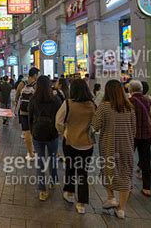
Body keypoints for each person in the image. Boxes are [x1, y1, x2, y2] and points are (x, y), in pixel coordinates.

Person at [91, 80, 136, 219]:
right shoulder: (130, 108)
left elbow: (95, 125)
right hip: (127, 146)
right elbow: (134, 129)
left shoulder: (104, 107)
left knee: (108, 170)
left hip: (109, 145)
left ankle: (111, 197)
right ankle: (121, 209)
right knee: (125, 174)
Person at [55, 79, 96, 214]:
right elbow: (96, 124)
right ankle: (81, 204)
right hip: (87, 144)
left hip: (70, 141)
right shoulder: (92, 105)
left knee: (70, 168)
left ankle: (70, 193)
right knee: (83, 172)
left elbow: (58, 122)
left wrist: (64, 132)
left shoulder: (68, 104)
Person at [28, 75, 62, 202]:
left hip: (37, 134)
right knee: (52, 158)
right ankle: (53, 181)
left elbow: (30, 118)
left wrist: (32, 131)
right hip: (52, 134)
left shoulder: (33, 99)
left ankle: (42, 190)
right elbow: (59, 119)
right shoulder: (56, 100)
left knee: (40, 162)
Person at [128, 80, 151, 197]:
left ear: (131, 90)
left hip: (132, 134)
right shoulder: (148, 100)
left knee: (128, 160)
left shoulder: (129, 101)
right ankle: (147, 188)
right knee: (146, 160)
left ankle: (128, 185)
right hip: (146, 134)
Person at [15, 67, 39, 161]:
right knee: (34, 131)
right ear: (35, 75)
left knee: (26, 132)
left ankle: (30, 153)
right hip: (34, 112)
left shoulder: (22, 83)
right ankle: (36, 150)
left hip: (23, 111)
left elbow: (17, 96)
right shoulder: (37, 85)